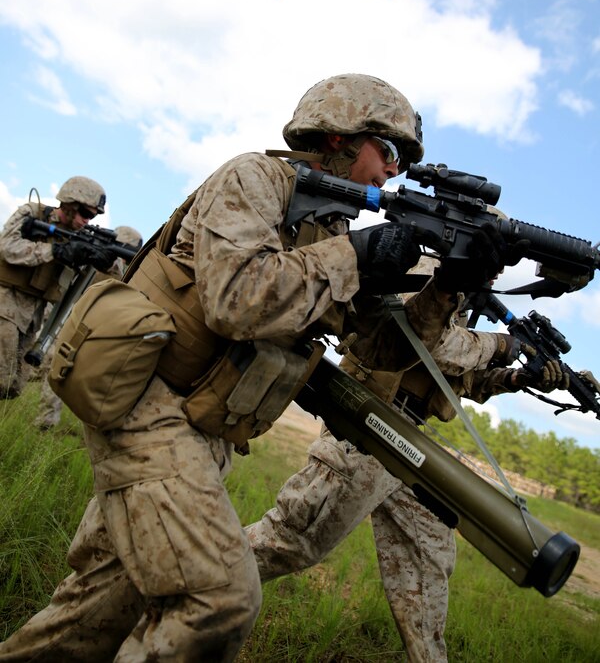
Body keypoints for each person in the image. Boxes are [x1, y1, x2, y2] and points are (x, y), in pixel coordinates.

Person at [0, 74, 510, 663]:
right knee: (219, 599)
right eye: (389, 152)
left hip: (200, 422)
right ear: (341, 134)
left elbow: (379, 350)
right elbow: (235, 298)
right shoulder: (255, 179)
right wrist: (358, 255)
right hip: (147, 400)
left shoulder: (333, 228)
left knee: (96, 611)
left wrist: (446, 288)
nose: (392, 172)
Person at [245, 255, 569, 663]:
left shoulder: (464, 300)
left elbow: (460, 380)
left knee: (428, 562)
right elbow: (432, 341)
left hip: (414, 443)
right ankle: (189, 582)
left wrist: (517, 378)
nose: (500, 270)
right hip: (372, 425)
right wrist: (501, 346)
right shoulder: (427, 271)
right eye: (498, 256)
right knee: (294, 541)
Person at [0, 177, 111, 399]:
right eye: (86, 214)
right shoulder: (33, 214)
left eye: (92, 217)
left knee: (13, 388)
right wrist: (55, 252)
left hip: (33, 315)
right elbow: (8, 247)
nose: (87, 222)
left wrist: (96, 260)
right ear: (70, 204)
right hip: (6, 303)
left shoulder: (81, 238)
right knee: (2, 378)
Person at [34, 225, 143, 431]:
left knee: (52, 367)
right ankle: (45, 423)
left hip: (77, 324)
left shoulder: (114, 265)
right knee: (49, 365)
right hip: (66, 318)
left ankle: (45, 423)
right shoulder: (99, 258)